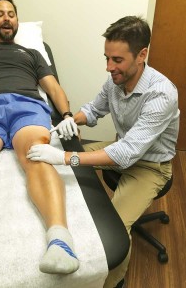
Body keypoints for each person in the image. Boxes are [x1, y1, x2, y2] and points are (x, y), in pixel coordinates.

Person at [27, 16, 180, 287]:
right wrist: (71, 119)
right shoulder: (116, 79)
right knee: (65, 148)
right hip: (121, 147)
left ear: (142, 55)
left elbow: (128, 153)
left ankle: (113, 283)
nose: (109, 67)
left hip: (150, 166)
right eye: (106, 58)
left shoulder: (161, 94)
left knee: (116, 234)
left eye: (117, 60)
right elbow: (95, 108)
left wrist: (67, 158)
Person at [0, 0, 79, 275]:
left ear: (17, 20)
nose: (6, 18)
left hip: (27, 107)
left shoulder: (32, 54)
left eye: (11, 14)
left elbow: (53, 89)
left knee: (38, 155)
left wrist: (66, 115)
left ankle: (60, 242)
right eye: (0, 14)